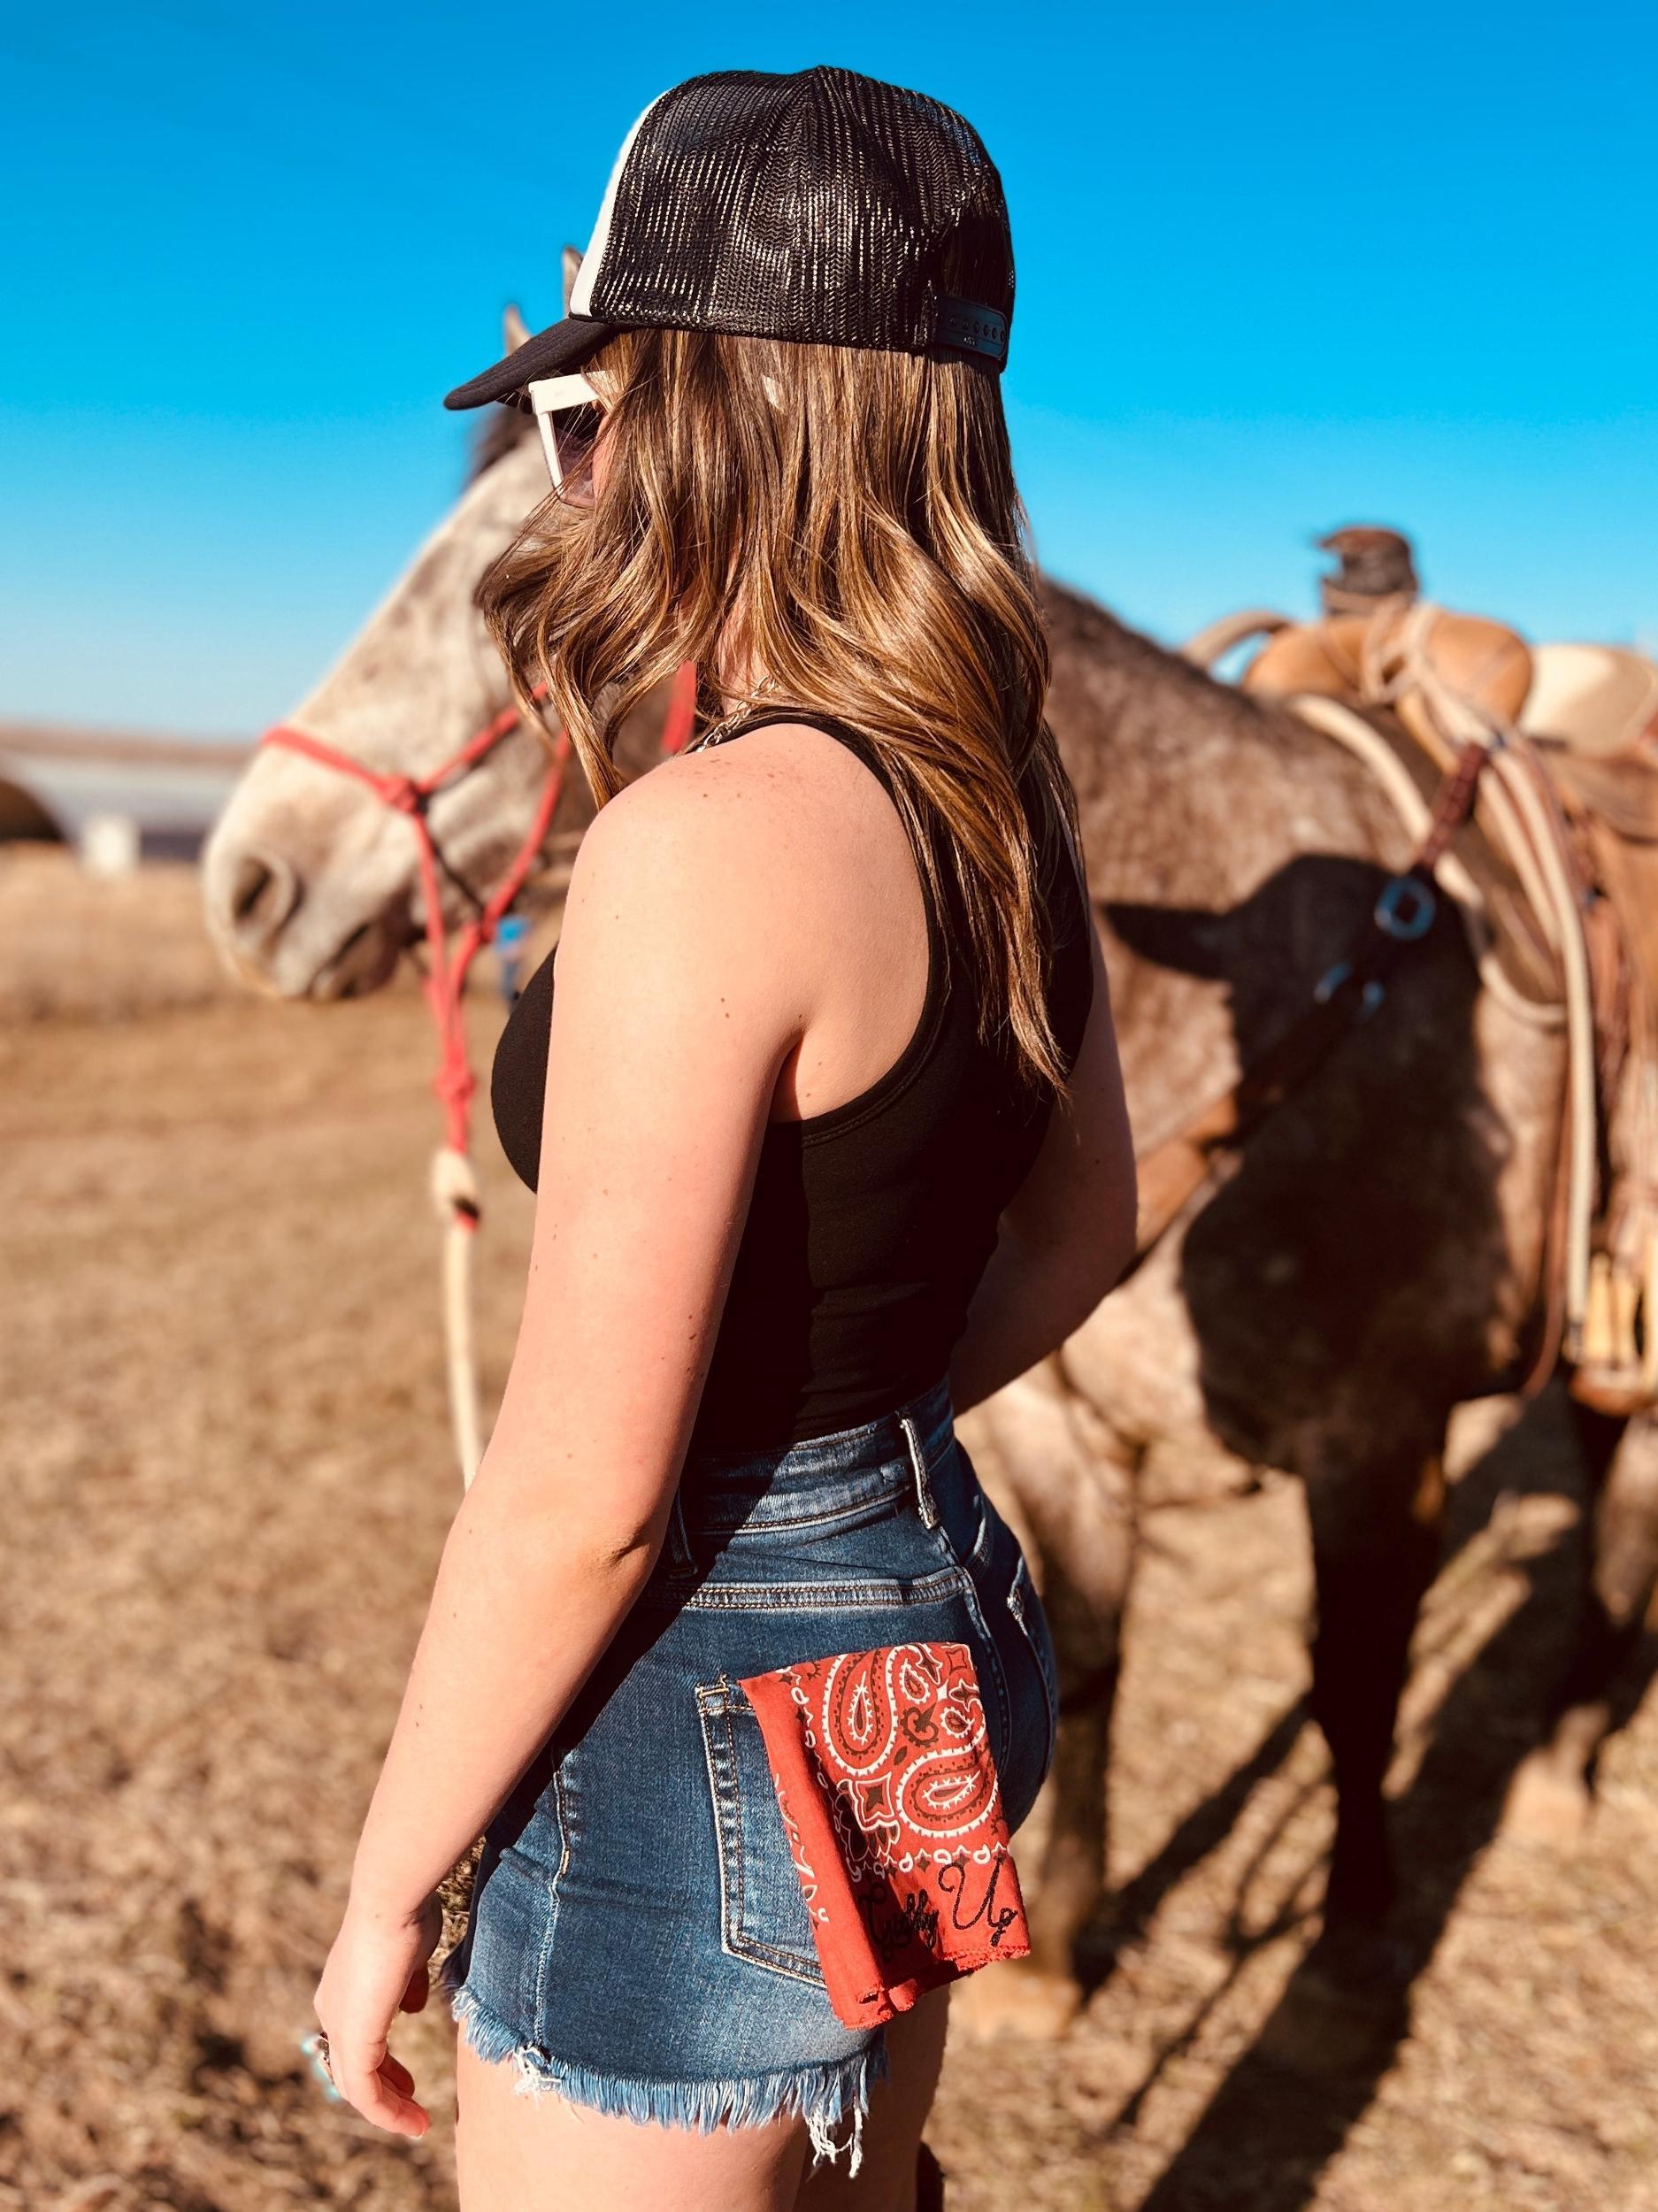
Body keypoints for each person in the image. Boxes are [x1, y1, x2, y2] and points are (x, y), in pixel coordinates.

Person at [309, 64, 1136, 2212]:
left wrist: (386, 1887)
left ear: (709, 408)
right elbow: (1085, 1225)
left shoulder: (704, 844)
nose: (565, 478)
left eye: (592, 412)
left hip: (706, 1714)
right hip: (931, 1608)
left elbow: (580, 1498)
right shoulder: (1004, 789)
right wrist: (840, 1441)